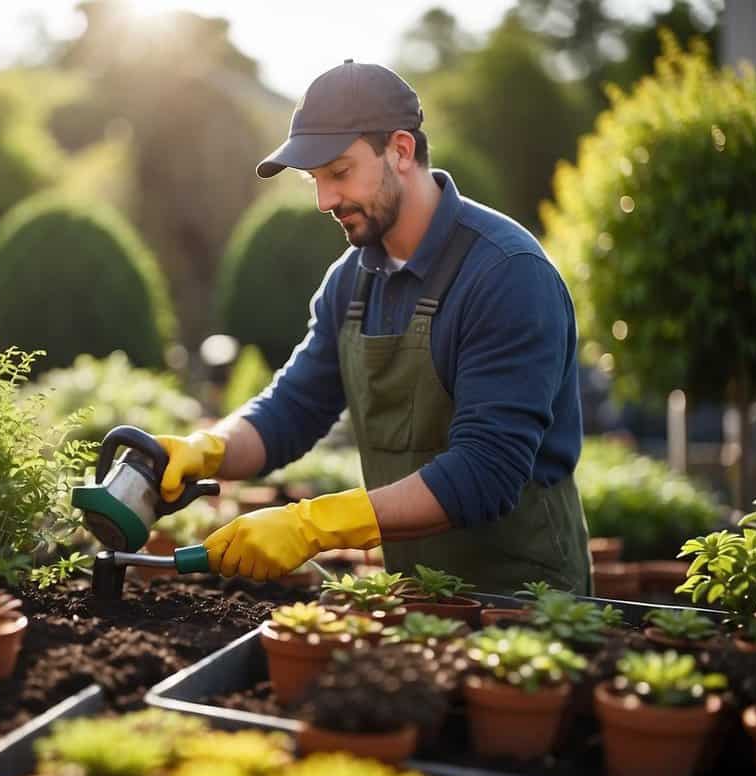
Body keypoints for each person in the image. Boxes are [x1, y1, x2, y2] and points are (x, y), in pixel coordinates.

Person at [154, 59, 591, 595]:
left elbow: (487, 472)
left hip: (526, 605)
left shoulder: (506, 275)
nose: (324, 201)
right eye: (315, 181)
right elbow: (292, 409)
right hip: (415, 594)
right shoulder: (351, 281)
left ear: (401, 151)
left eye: (339, 173)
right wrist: (208, 449)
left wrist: (312, 525)